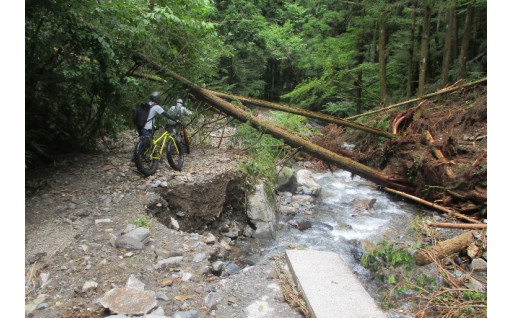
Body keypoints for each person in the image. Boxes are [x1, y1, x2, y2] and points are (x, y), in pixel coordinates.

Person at [132, 91, 177, 162]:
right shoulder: (156, 107)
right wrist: (176, 120)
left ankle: (149, 158)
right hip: (146, 128)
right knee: (144, 143)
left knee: (147, 143)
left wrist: (155, 127)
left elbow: (149, 117)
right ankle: (136, 159)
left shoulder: (147, 105)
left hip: (141, 127)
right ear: (157, 99)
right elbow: (166, 115)